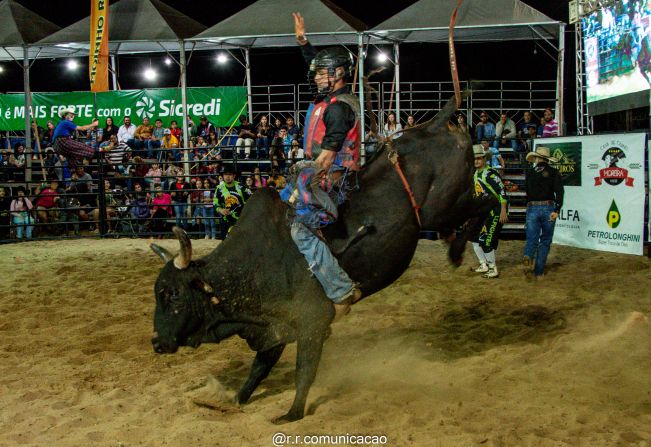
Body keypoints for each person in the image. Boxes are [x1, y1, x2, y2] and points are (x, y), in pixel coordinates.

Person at [290, 12, 362, 316]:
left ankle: (341, 290)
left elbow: (328, 155)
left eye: (323, 73)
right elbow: (316, 63)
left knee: (299, 229)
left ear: (340, 74)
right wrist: (303, 42)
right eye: (317, 72)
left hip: (334, 179)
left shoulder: (339, 109)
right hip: (320, 173)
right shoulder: (330, 100)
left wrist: (302, 182)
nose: (317, 77)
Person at [523, 146, 564, 278]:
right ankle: (538, 271)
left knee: (532, 237)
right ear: (547, 159)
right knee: (545, 240)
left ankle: (528, 254)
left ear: (536, 158)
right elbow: (560, 192)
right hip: (548, 207)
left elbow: (527, 192)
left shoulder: (529, 173)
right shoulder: (554, 172)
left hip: (532, 206)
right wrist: (557, 209)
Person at [470, 145, 508, 278]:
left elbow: (502, 191)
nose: (476, 161)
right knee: (474, 238)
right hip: (485, 212)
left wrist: (503, 210)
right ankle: (483, 263)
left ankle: (492, 268)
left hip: (496, 211)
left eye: (479, 159)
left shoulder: (490, 174)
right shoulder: (476, 174)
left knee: (485, 240)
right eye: (474, 159)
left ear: (484, 159)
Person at [214, 167, 250, 237]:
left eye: (230, 174)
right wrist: (221, 210)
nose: (227, 177)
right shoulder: (219, 188)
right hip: (225, 220)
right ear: (223, 176)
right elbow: (215, 203)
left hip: (241, 221)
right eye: (225, 174)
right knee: (225, 243)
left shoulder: (242, 187)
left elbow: (251, 199)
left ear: (234, 176)